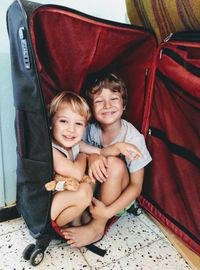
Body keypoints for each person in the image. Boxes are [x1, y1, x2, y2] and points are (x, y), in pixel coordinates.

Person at [61, 73, 152, 247]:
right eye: (99, 101)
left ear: (124, 105)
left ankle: (97, 227)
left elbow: (136, 187)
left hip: (119, 199)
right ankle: (87, 212)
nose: (107, 105)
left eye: (114, 99)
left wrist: (107, 213)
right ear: (91, 109)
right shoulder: (90, 129)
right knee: (84, 158)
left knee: (114, 164)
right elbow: (77, 147)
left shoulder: (133, 138)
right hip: (96, 190)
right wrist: (95, 155)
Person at [49, 90, 142, 229]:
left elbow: (101, 152)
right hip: (52, 208)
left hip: (68, 199)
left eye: (78, 124)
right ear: (51, 124)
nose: (71, 130)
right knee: (84, 191)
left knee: (90, 180)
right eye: (63, 121)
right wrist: (83, 155)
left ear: (84, 127)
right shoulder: (51, 148)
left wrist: (118, 147)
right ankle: (57, 227)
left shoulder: (77, 144)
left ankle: (78, 221)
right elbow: (76, 173)